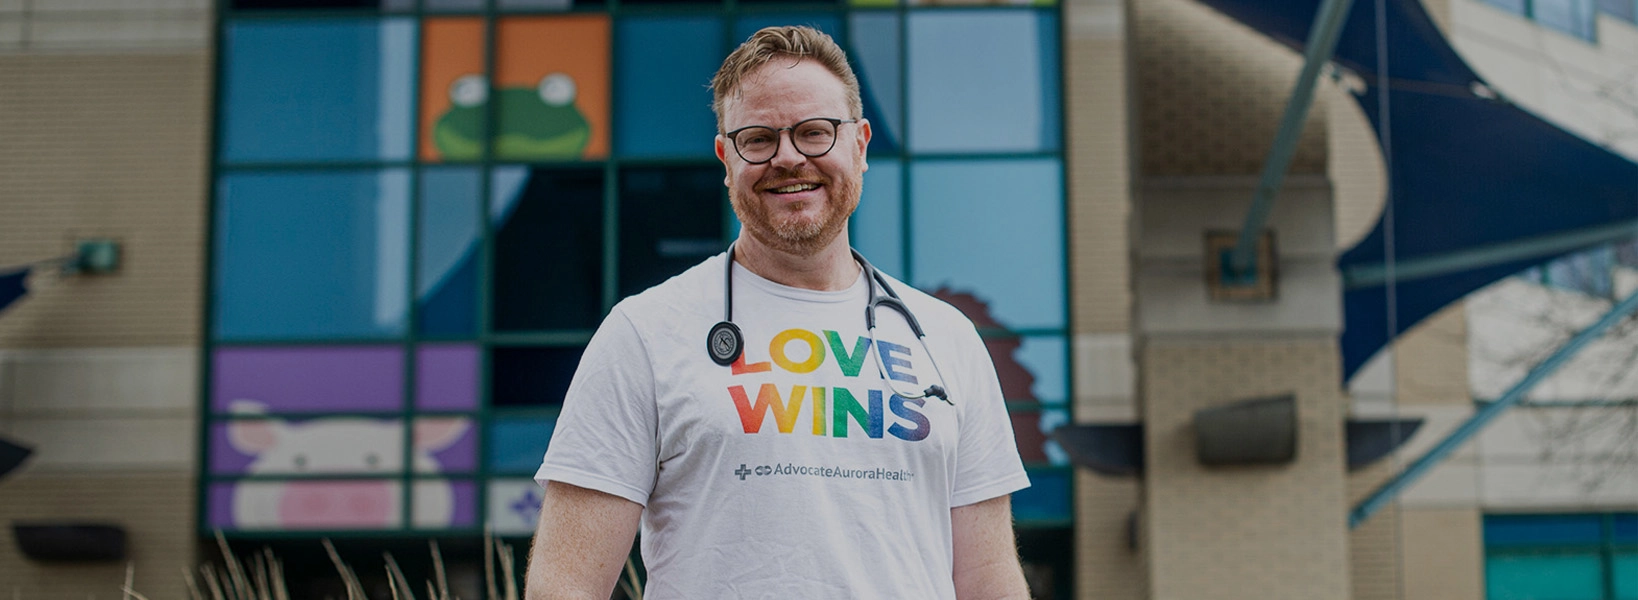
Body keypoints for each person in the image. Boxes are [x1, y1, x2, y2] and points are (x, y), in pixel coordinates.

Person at [526, 25, 1031, 600]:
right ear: (725, 158)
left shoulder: (946, 338)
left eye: (816, 132)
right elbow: (564, 585)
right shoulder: (645, 332)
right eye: (759, 138)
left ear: (860, 146)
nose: (789, 158)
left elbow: (989, 579)